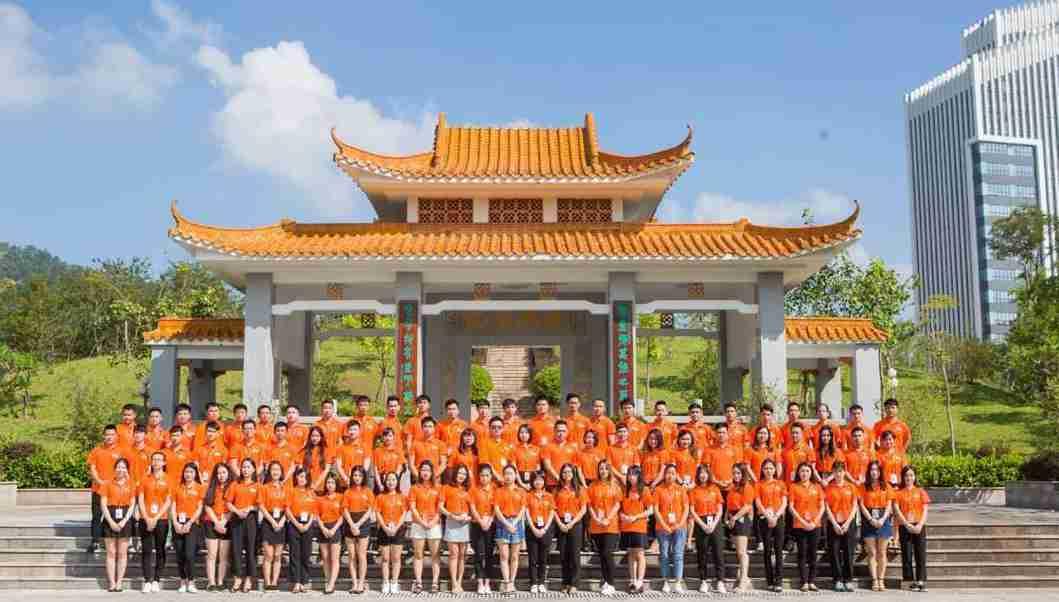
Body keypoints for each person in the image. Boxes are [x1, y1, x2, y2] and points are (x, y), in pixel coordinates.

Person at [87, 424, 129, 553]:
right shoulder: (96, 450)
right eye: (107, 434)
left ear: (116, 436)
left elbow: (125, 470)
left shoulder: (122, 451)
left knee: (112, 515)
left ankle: (112, 541)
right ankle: (95, 541)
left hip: (115, 491)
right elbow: (92, 468)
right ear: (103, 436)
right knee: (97, 516)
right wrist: (100, 481)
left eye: (112, 434)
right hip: (98, 489)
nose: (109, 437)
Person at [586, 459, 622, 595]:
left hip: (610, 525)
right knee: (601, 555)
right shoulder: (592, 485)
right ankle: (606, 581)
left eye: (606, 468)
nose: (603, 471)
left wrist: (608, 518)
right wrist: (595, 518)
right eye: (601, 468)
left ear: (609, 470)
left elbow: (617, 505)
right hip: (596, 525)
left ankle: (611, 583)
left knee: (607, 553)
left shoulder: (615, 485)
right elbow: (589, 504)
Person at [137, 451, 171, 594]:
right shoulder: (145, 479)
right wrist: (146, 517)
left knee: (160, 549)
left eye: (159, 459)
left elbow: (168, 501)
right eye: (154, 459)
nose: (156, 462)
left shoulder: (169, 479)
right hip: (145, 519)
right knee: (146, 550)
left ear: (164, 463)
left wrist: (156, 518)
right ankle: (147, 580)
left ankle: (156, 579)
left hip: (161, 519)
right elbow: (140, 499)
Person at [101, 457, 136, 592]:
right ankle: (111, 582)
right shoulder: (107, 483)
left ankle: (119, 582)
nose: (120, 469)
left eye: (123, 467)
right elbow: (103, 504)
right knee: (111, 552)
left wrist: (124, 521)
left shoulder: (131, 484)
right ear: (114, 469)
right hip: (110, 515)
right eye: (118, 467)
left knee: (122, 553)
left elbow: (132, 504)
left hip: (125, 518)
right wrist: (110, 521)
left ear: (127, 470)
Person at [788, 462, 825, 592]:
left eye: (807, 471)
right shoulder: (793, 487)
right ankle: (804, 581)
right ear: (798, 473)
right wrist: (802, 522)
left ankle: (812, 581)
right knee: (802, 553)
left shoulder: (817, 487)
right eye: (802, 471)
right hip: (800, 525)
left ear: (811, 473)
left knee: (813, 553)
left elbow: (822, 506)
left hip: (815, 525)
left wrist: (815, 522)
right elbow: (791, 507)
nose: (805, 473)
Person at [689, 465, 725, 594]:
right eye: (701, 473)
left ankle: (720, 581)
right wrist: (702, 525)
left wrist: (714, 524)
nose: (703, 475)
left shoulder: (715, 488)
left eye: (705, 473)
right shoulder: (694, 491)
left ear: (709, 475)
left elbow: (720, 508)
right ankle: (703, 580)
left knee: (718, 552)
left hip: (715, 522)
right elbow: (692, 510)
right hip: (701, 522)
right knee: (702, 553)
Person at [824, 462, 859, 592]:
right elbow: (827, 507)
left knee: (848, 552)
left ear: (845, 472)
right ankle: (837, 579)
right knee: (834, 552)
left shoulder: (851, 487)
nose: (838, 474)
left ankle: (848, 579)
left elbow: (855, 505)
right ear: (832, 473)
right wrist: (834, 523)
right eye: (836, 471)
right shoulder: (828, 488)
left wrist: (847, 523)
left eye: (840, 471)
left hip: (848, 522)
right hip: (833, 523)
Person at [655, 463, 690, 593]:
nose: (670, 475)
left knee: (678, 554)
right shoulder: (658, 490)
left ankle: (677, 582)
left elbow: (686, 508)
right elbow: (656, 509)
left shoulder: (681, 490)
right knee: (664, 554)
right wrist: (664, 525)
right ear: (664, 475)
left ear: (676, 476)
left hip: (680, 526)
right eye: (668, 473)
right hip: (662, 527)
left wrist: (679, 524)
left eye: (673, 473)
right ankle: (665, 581)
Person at [860, 460, 895, 591]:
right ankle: (874, 580)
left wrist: (883, 519)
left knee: (882, 552)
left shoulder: (886, 486)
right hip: (868, 519)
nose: (874, 472)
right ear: (869, 472)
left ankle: (881, 579)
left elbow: (889, 505)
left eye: (877, 470)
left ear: (880, 472)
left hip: (883, 519)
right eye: (872, 470)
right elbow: (861, 504)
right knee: (872, 552)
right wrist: (870, 519)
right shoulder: (863, 487)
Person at [894, 465, 930, 591]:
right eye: (906, 475)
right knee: (907, 554)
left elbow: (925, 509)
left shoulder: (921, 491)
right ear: (903, 477)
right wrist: (906, 524)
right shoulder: (898, 493)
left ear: (915, 477)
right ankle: (908, 580)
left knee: (920, 554)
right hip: (905, 526)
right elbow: (897, 510)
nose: (908, 478)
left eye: (911, 475)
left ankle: (921, 580)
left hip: (919, 526)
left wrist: (920, 524)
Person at [409, 461, 444, 593]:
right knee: (418, 554)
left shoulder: (438, 488)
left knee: (435, 555)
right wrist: (422, 522)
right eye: (423, 470)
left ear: (432, 472)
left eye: (428, 470)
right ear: (419, 472)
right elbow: (412, 507)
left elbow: (440, 508)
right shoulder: (414, 488)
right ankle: (418, 582)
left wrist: (433, 522)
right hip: (418, 524)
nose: (425, 472)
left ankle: (435, 582)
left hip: (434, 524)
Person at [226, 458, 260, 593]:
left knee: (251, 549)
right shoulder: (235, 484)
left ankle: (249, 578)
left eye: (248, 467)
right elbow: (228, 502)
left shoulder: (257, 486)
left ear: (253, 469)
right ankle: (238, 578)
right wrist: (237, 511)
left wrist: (250, 508)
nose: (245, 470)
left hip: (251, 519)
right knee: (236, 549)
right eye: (243, 467)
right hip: (237, 519)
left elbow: (259, 505)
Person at [171, 462, 204, 593]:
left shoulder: (199, 488)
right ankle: (183, 581)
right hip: (178, 522)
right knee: (180, 554)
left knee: (189, 554)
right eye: (186, 472)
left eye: (191, 472)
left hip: (192, 523)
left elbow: (200, 508)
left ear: (195, 474)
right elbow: (173, 506)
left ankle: (191, 581)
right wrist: (175, 523)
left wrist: (190, 523)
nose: (188, 474)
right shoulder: (177, 487)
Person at [494, 464, 528, 594]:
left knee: (514, 556)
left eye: (511, 473)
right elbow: (496, 509)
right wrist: (506, 523)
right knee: (504, 555)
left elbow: (523, 509)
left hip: (516, 523)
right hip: (503, 523)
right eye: (506, 474)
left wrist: (515, 522)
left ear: (515, 475)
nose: (508, 476)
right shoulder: (498, 491)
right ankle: (506, 581)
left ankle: (512, 582)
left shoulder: (521, 491)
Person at [754, 458, 787, 592]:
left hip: (778, 519)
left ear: (775, 470)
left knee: (778, 550)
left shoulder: (781, 483)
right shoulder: (758, 484)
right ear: (762, 470)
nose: (768, 470)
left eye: (771, 468)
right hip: (764, 519)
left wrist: (776, 516)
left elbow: (784, 502)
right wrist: (768, 516)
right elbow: (758, 502)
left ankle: (779, 581)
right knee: (767, 550)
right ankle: (770, 580)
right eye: (766, 468)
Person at [618, 466, 652, 593]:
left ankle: (640, 582)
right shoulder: (625, 490)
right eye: (629, 474)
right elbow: (620, 509)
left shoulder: (644, 490)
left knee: (639, 554)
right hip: (627, 526)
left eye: (634, 474)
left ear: (639, 476)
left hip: (639, 526)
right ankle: (632, 581)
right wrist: (623, 516)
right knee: (631, 553)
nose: (631, 477)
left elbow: (650, 510)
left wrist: (636, 517)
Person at [554, 463, 587, 594]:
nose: (567, 474)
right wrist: (560, 524)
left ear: (573, 474)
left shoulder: (580, 489)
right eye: (564, 472)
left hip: (575, 523)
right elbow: (553, 509)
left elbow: (583, 509)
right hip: (561, 523)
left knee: (574, 554)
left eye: (569, 472)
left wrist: (572, 523)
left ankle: (574, 583)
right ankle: (565, 582)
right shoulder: (557, 490)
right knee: (563, 555)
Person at [342, 465, 375, 594]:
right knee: (351, 555)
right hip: (350, 521)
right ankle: (354, 582)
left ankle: (361, 582)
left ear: (363, 477)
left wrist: (358, 524)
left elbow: (370, 510)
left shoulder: (368, 491)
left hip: (363, 522)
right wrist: (352, 524)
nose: (357, 478)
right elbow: (345, 509)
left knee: (361, 555)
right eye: (355, 475)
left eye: (360, 476)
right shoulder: (347, 492)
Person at [440, 464, 473, 593]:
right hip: (452, 522)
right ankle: (454, 582)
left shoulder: (468, 489)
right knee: (454, 554)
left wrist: (468, 517)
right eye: (460, 473)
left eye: (464, 474)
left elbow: (473, 509)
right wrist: (451, 515)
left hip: (464, 523)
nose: (461, 476)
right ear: (455, 474)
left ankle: (459, 582)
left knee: (462, 555)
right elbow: (440, 507)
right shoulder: (446, 488)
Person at [257, 461, 288, 592]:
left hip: (281, 520)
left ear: (281, 472)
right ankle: (267, 582)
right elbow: (261, 505)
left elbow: (288, 507)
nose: (275, 472)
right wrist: (272, 521)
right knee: (268, 554)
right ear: (269, 472)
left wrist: (281, 521)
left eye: (278, 470)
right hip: (268, 521)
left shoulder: (285, 488)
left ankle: (274, 581)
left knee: (277, 555)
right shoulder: (264, 487)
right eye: (273, 469)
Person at [375, 470, 408, 593]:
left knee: (396, 558)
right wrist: (385, 527)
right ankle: (385, 582)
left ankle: (394, 582)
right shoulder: (380, 497)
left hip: (398, 530)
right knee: (385, 558)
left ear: (397, 481)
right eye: (388, 479)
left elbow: (404, 513)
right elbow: (377, 513)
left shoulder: (402, 497)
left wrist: (396, 528)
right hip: (384, 529)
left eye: (393, 479)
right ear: (385, 481)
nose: (391, 482)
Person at [286, 467, 317, 593]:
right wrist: (297, 524)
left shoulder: (311, 492)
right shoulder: (291, 491)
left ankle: (304, 581)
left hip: (308, 524)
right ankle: (296, 582)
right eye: (300, 476)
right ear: (296, 478)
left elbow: (314, 511)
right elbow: (287, 509)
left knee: (306, 553)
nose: (302, 479)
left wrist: (308, 524)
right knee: (294, 554)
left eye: (304, 477)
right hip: (294, 523)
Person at [726, 463, 757, 592]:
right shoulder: (733, 487)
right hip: (733, 518)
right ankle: (742, 575)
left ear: (743, 474)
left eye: (738, 473)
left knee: (742, 552)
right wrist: (727, 517)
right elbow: (729, 504)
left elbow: (747, 506)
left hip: (741, 518)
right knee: (738, 551)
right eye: (734, 473)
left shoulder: (747, 487)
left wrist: (734, 518)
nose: (736, 475)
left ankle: (744, 580)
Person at [202, 463, 232, 592]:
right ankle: (211, 582)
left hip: (226, 523)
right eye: (219, 473)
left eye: (224, 472)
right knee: (212, 554)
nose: (221, 475)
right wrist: (216, 522)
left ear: (228, 473)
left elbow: (232, 507)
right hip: (211, 522)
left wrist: (223, 522)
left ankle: (220, 581)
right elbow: (207, 506)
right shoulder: (210, 487)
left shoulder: (232, 487)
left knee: (223, 556)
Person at [526, 471, 556, 593]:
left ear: (544, 481)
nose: (538, 482)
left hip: (545, 528)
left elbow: (552, 512)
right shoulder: (528, 496)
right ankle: (533, 582)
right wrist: (533, 528)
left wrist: (545, 528)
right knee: (533, 558)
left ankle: (542, 582)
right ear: (532, 481)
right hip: (532, 528)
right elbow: (526, 512)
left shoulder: (549, 496)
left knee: (543, 558)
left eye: (541, 480)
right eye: (536, 480)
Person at [469, 464, 497, 594]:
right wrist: (481, 521)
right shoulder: (474, 490)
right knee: (479, 554)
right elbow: (472, 507)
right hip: (477, 524)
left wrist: (490, 520)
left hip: (491, 525)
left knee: (489, 554)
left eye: (487, 475)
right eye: (482, 475)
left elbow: (496, 507)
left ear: (491, 476)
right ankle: (480, 582)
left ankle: (488, 582)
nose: (484, 478)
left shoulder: (495, 489)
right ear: (478, 476)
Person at [317, 472, 345, 594]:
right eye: (328, 482)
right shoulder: (320, 499)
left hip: (335, 527)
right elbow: (317, 515)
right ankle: (327, 580)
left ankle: (332, 583)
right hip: (323, 527)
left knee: (334, 558)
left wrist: (334, 529)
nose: (330, 485)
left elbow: (343, 515)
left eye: (332, 482)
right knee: (325, 557)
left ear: (336, 484)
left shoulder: (341, 497)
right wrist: (323, 528)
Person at [409, 417, 447, 485]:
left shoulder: (441, 444)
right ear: (422, 428)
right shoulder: (414, 444)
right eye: (425, 426)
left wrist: (433, 477)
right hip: (418, 480)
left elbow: (443, 464)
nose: (427, 429)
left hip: (435, 480)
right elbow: (411, 464)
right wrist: (419, 477)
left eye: (430, 426)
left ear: (434, 428)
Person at [542, 420, 579, 488]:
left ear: (567, 432)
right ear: (554, 431)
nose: (561, 433)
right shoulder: (547, 446)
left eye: (563, 431)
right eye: (558, 431)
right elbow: (547, 466)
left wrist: (570, 481)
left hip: (569, 484)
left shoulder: (573, 448)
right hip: (552, 483)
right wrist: (559, 479)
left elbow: (574, 467)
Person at [336, 419, 371, 488]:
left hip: (359, 483)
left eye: (355, 429)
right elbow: (339, 466)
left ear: (359, 431)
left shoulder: (365, 446)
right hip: (345, 482)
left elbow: (366, 465)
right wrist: (346, 479)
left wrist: (358, 478)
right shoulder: (341, 447)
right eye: (350, 429)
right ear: (347, 431)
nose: (352, 432)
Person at [372, 427, 406, 492]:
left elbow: (399, 468)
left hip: (394, 479)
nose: (388, 438)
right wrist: (379, 484)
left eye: (390, 436)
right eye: (385, 436)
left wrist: (394, 481)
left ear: (393, 437)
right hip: (381, 480)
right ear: (382, 437)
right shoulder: (377, 451)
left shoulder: (398, 451)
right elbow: (375, 470)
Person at [301, 426, 333, 491]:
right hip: (307, 485)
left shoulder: (327, 451)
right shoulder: (304, 451)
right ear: (309, 437)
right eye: (313, 436)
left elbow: (326, 470)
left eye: (317, 436)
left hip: (321, 486)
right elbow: (301, 469)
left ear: (321, 437)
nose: (315, 438)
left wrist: (316, 484)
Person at [513, 424, 542, 489]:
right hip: (519, 478)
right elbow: (514, 468)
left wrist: (536, 482)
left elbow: (538, 467)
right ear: (518, 434)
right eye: (521, 432)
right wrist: (521, 483)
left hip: (533, 479)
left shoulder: (536, 449)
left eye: (526, 432)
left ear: (530, 434)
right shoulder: (514, 449)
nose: (524, 435)